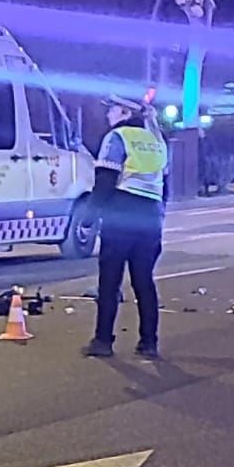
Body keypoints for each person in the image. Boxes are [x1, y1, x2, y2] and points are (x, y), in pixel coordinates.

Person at [82, 94, 170, 359]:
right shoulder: (156, 140)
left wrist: (89, 218)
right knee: (144, 281)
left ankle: (103, 342)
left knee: (110, 281)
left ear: (122, 112)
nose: (107, 115)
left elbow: (105, 183)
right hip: (150, 218)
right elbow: (165, 186)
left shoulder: (117, 138)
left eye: (111, 110)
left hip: (121, 215)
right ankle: (149, 342)